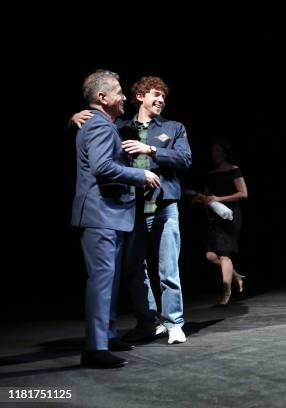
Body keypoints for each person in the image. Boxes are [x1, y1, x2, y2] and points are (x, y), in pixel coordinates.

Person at [71, 76, 192, 344]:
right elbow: (93, 135)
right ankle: (148, 322)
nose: (161, 100)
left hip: (163, 206)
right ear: (140, 96)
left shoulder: (173, 128)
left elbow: (185, 159)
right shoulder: (121, 126)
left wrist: (150, 150)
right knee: (134, 270)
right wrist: (73, 118)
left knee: (168, 269)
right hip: (131, 209)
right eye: (155, 94)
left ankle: (174, 323)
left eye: (163, 96)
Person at [71, 70, 160, 368]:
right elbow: (102, 167)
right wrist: (141, 175)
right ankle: (95, 348)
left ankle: (107, 336)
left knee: (109, 281)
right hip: (100, 215)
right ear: (102, 97)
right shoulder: (97, 125)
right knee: (101, 281)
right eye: (119, 92)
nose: (123, 97)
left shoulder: (101, 123)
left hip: (110, 215)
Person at [187, 139, 247, 305]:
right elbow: (208, 196)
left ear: (225, 153)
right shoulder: (211, 173)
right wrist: (200, 200)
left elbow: (243, 193)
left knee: (224, 254)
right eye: (213, 151)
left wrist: (221, 198)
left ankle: (227, 292)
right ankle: (236, 276)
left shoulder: (234, 170)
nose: (215, 154)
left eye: (218, 151)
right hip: (215, 217)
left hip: (230, 216)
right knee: (210, 255)